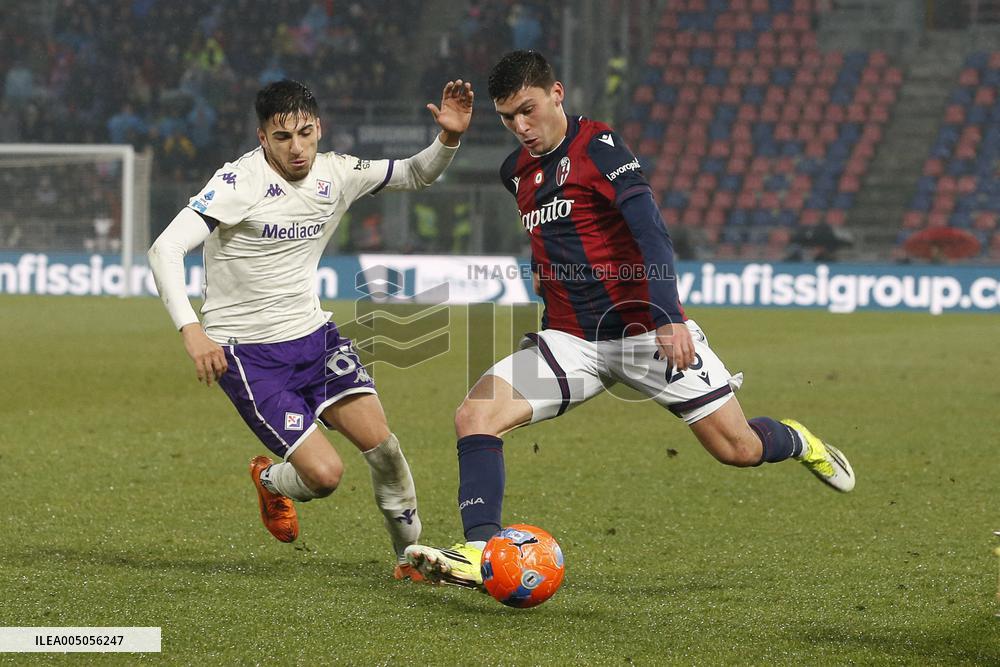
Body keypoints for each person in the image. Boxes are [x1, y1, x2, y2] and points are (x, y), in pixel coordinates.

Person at [405, 51, 855, 588]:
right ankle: (479, 552)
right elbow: (558, 232)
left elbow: (650, 230)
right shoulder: (514, 171)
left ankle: (798, 440)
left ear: (557, 94)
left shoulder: (600, 147)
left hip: (647, 335)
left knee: (739, 449)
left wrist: (668, 315)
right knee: (474, 415)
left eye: (528, 110)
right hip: (571, 340)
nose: (520, 127)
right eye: (507, 117)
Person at [148, 78, 474, 580]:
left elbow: (414, 173)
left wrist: (448, 139)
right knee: (325, 477)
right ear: (262, 138)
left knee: (385, 449)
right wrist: (191, 329)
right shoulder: (238, 183)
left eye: (305, 133)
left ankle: (410, 560)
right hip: (248, 353)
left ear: (318, 127)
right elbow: (165, 249)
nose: (297, 147)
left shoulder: (337, 173)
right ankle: (272, 481)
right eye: (282, 138)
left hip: (315, 338)